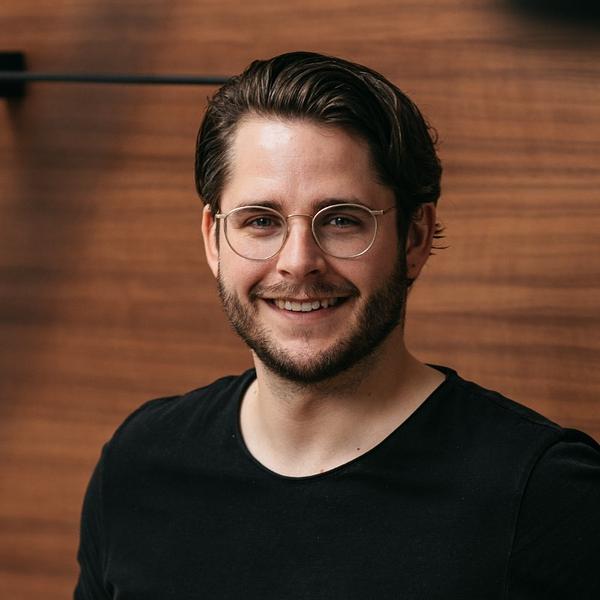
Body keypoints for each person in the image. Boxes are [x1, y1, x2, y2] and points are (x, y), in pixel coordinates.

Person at [75, 51, 600, 599]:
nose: (298, 262)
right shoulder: (141, 462)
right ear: (214, 239)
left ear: (415, 237)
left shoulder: (546, 496)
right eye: (261, 221)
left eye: (343, 221)